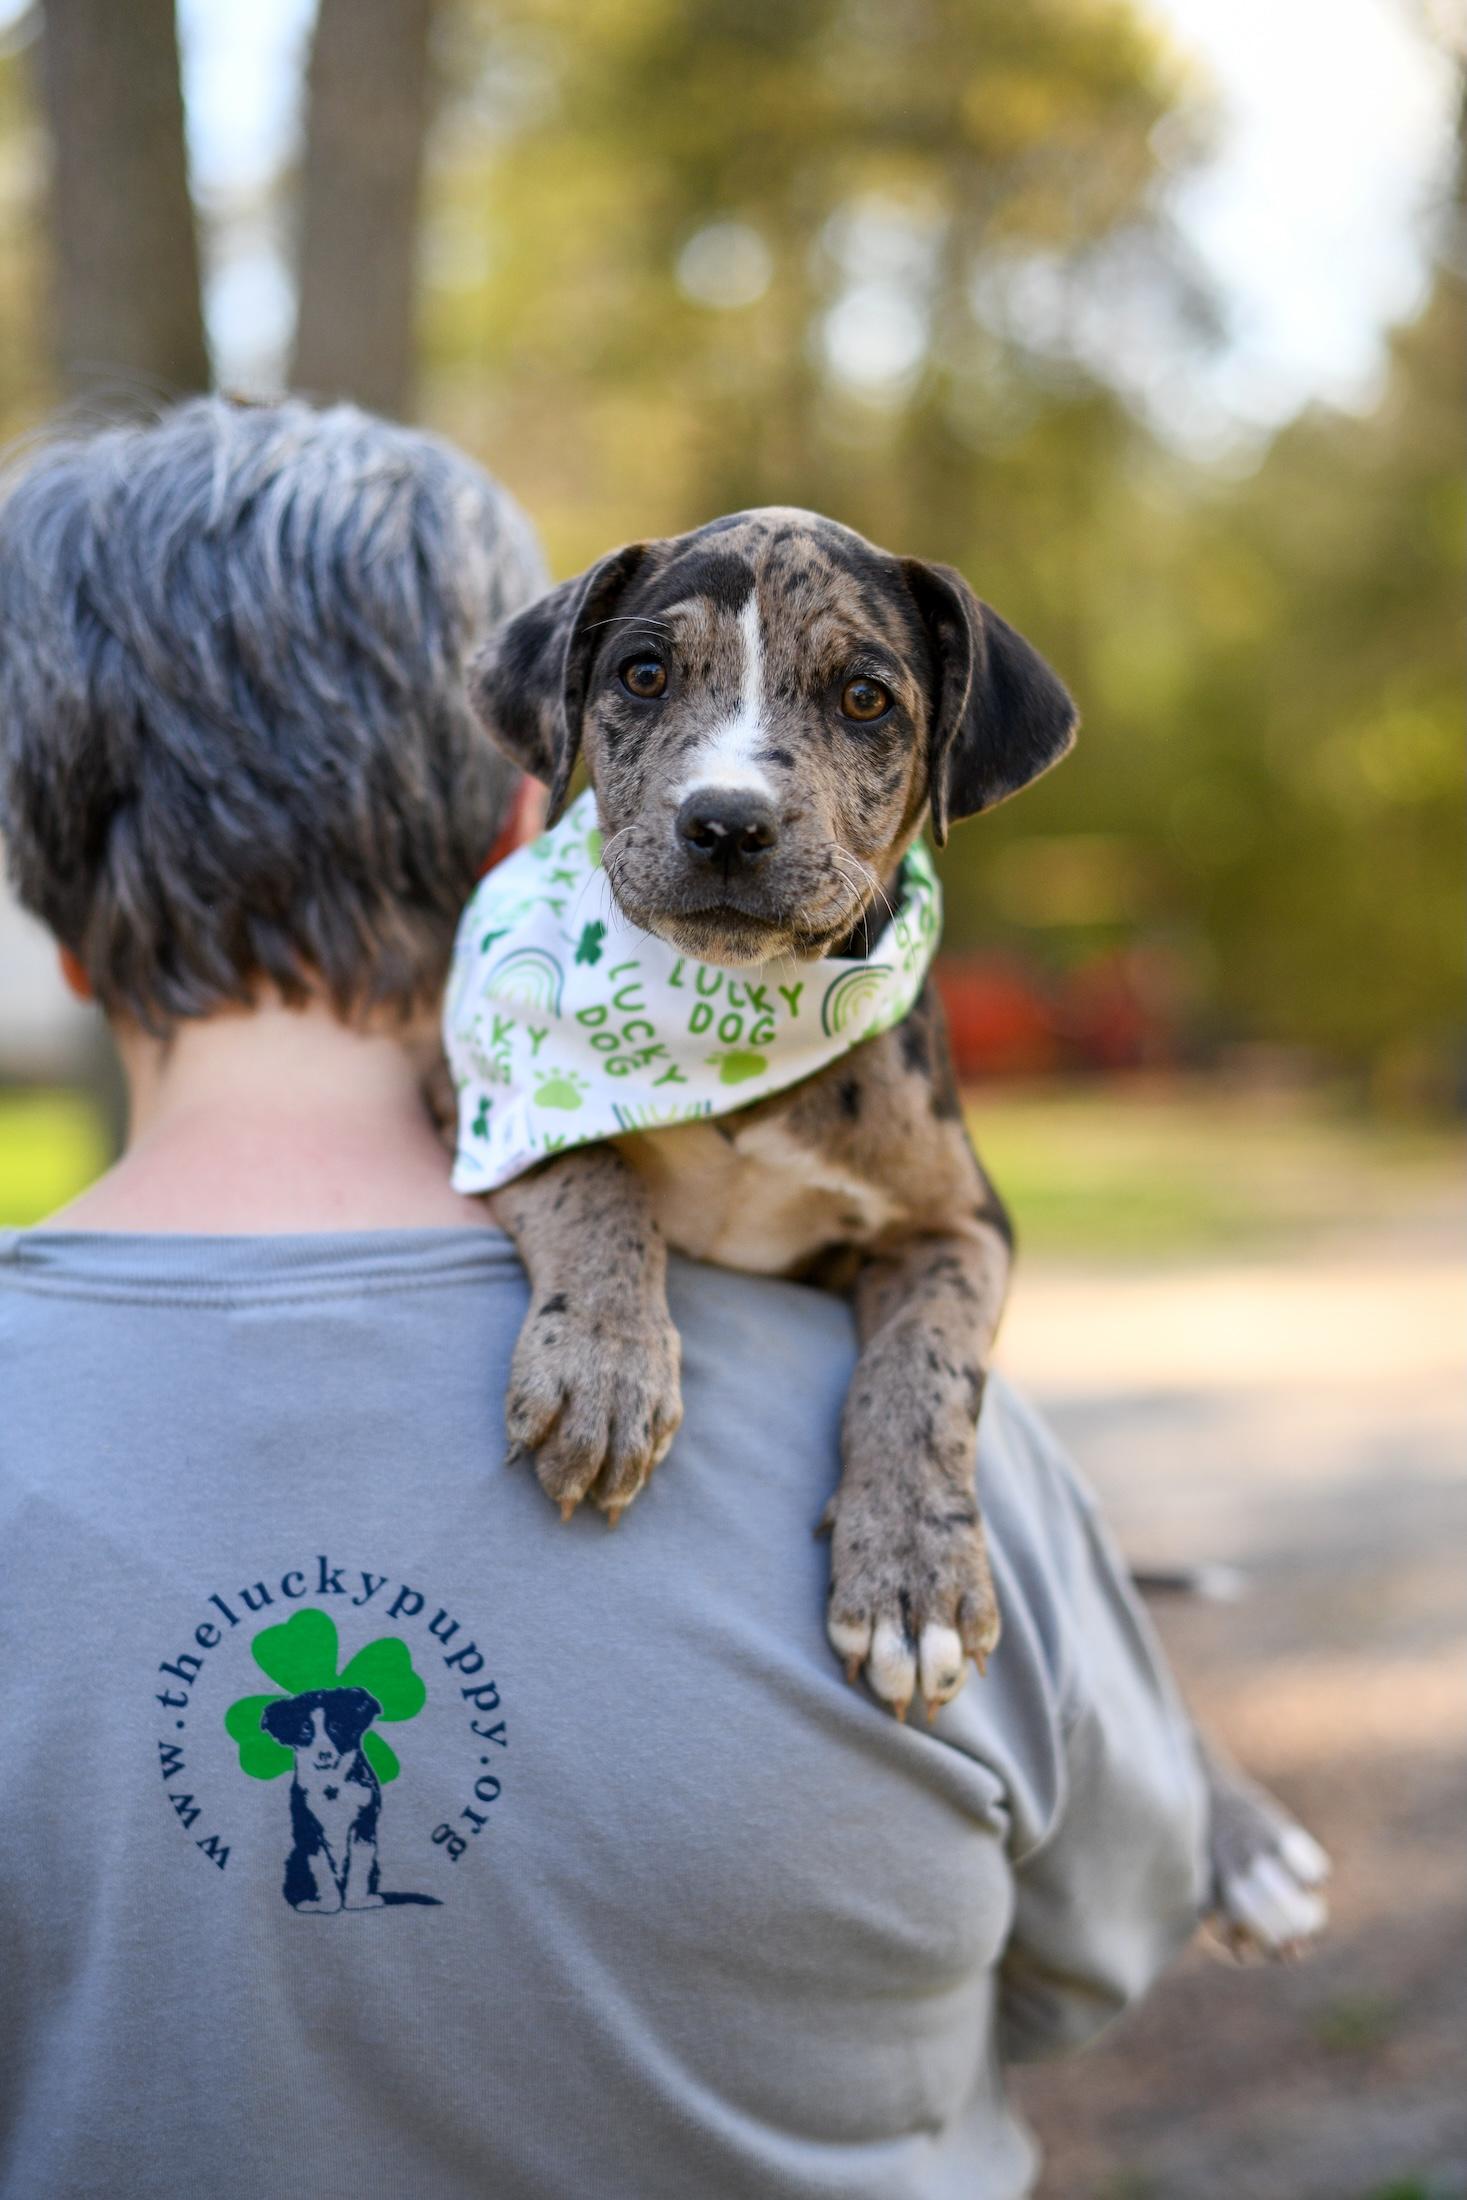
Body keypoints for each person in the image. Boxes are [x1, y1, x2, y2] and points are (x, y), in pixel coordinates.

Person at [0, 397, 1206, 2200]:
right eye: (656, 690)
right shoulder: (980, 1468)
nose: (736, 782)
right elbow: (1110, 1945)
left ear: (49, 906)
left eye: (856, 706)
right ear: (529, 802)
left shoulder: (919, 1347)